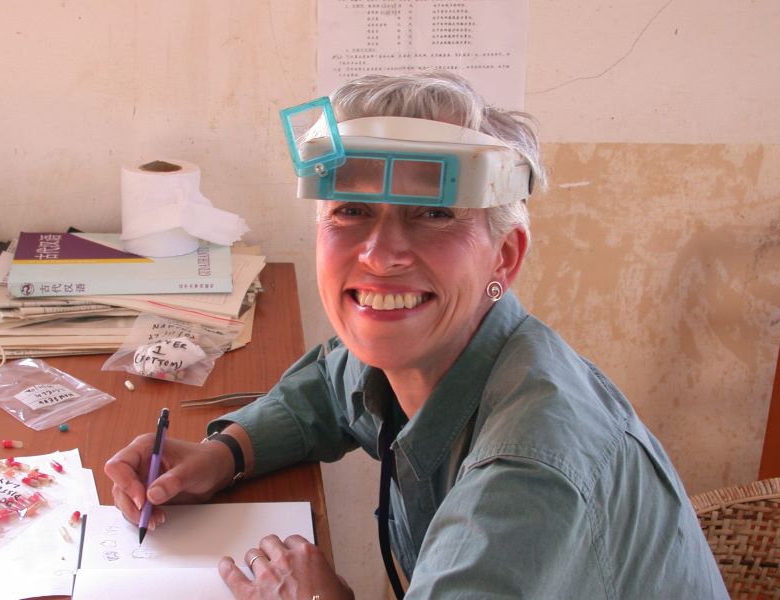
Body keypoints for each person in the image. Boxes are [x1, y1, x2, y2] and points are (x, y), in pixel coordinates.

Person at [105, 71, 727, 599]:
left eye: (433, 213)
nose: (379, 255)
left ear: (504, 258)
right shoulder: (433, 348)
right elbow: (330, 383)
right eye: (350, 210)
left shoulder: (527, 485)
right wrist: (223, 454)